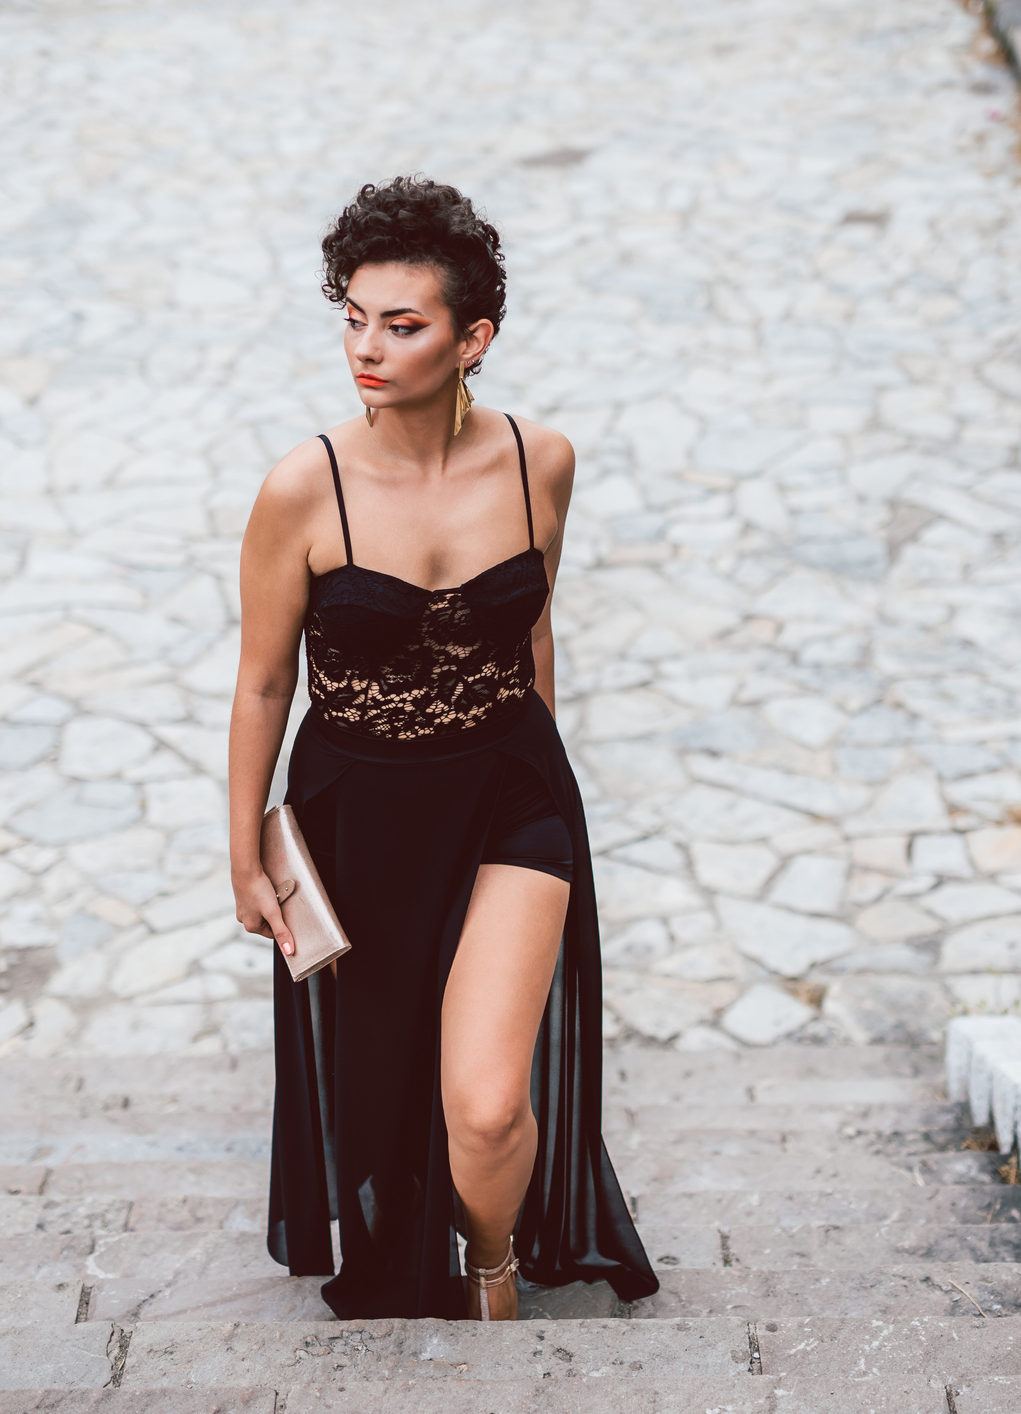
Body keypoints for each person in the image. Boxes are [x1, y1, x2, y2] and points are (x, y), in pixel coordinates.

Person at [226, 177, 659, 1322]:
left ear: (475, 339)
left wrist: (551, 781)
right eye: (354, 318)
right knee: (382, 1104)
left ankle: (495, 1271)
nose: (367, 348)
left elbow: (533, 629)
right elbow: (266, 677)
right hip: (358, 813)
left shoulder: (541, 462)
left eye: (402, 324)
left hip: (512, 793)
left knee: (484, 1104)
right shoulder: (301, 489)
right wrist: (242, 857)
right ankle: (434, 1242)